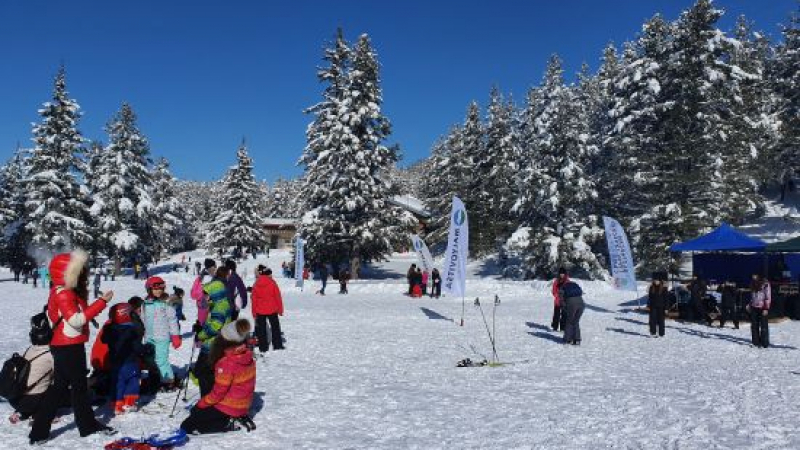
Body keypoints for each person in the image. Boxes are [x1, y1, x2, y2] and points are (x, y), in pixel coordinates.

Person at [29, 250, 116, 445]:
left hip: (66, 345)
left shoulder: (61, 291)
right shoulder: (64, 293)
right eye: (77, 271)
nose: (82, 275)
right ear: (67, 273)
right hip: (69, 347)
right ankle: (84, 426)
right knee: (74, 389)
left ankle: (41, 431)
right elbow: (76, 320)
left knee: (63, 388)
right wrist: (102, 302)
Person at [180, 319, 256, 435]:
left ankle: (226, 423)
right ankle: (227, 418)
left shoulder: (227, 362)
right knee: (198, 412)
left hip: (229, 406)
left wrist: (201, 403)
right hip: (243, 404)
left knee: (187, 424)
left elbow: (218, 393)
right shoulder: (247, 354)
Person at [7, 314, 62, 424]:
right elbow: (64, 376)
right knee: (59, 387)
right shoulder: (52, 354)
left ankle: (23, 412)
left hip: (14, 399)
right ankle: (39, 414)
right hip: (31, 401)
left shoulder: (30, 349)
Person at [102, 303, 152, 414]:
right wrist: (146, 349)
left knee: (117, 382)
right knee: (132, 381)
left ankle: (116, 404)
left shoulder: (110, 329)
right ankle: (129, 403)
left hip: (115, 362)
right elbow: (137, 347)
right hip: (130, 361)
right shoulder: (131, 331)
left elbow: (103, 339)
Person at [192, 266, 234, 396]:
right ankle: (208, 397)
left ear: (215, 294)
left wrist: (201, 334)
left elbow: (215, 326)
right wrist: (200, 327)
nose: (205, 297)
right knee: (204, 372)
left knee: (203, 373)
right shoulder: (218, 304)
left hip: (213, 346)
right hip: (212, 344)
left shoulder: (220, 307)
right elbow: (210, 321)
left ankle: (207, 399)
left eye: (207, 295)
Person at [142, 277, 182, 391]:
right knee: (150, 360)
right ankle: (154, 379)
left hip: (162, 337)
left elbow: (172, 320)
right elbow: (142, 319)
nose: (159, 291)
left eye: (161, 288)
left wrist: (175, 336)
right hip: (149, 337)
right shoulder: (145, 303)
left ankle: (168, 380)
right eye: (156, 289)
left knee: (161, 360)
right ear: (149, 289)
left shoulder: (167, 303)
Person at [251, 266, 284, 353]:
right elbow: (278, 297)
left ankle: (263, 347)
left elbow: (253, 300)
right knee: (275, 328)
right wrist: (280, 309)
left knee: (261, 330)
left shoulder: (256, 284)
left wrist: (254, 312)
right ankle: (277, 345)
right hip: (272, 309)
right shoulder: (272, 282)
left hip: (259, 310)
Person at [747, 274, 771, 348]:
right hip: (754, 307)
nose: (753, 277)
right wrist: (749, 304)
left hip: (762, 307)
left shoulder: (765, 284)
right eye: (752, 276)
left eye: (755, 275)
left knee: (763, 326)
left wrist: (766, 308)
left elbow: (768, 297)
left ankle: (765, 343)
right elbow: (753, 296)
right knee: (754, 325)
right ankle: (755, 342)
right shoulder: (753, 283)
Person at [559, 277, 585, 345]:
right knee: (576, 321)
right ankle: (577, 339)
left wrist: (563, 307)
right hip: (581, 303)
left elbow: (561, 300)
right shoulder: (574, 285)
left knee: (569, 321)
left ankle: (567, 339)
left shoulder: (562, 288)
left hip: (572, 304)